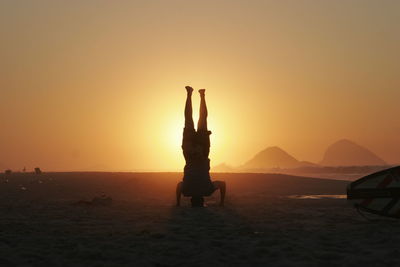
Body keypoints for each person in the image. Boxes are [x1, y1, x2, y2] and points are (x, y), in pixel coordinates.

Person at [176, 86, 226, 207]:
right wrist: (178, 202)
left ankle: (202, 95)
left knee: (202, 120)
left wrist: (222, 202)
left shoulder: (208, 191)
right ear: (192, 200)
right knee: (188, 119)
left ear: (202, 201)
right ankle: (189, 94)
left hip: (202, 153)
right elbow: (178, 186)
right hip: (189, 153)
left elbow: (223, 184)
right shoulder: (187, 191)